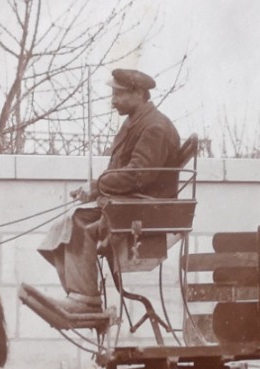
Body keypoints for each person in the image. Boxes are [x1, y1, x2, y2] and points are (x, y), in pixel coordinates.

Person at [33, 68, 182, 313]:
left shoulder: (155, 127)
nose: (113, 100)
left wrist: (97, 187)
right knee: (61, 230)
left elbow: (138, 174)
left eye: (119, 94)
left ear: (138, 93)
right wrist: (95, 190)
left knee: (79, 221)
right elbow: (123, 172)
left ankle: (85, 300)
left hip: (143, 208)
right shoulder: (137, 122)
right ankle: (78, 295)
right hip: (129, 204)